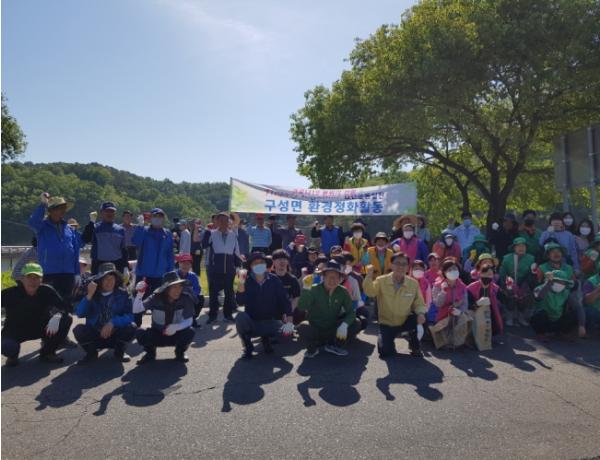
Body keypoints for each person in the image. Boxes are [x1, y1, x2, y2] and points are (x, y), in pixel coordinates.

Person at [2, 263, 73, 366]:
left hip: (41, 328)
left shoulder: (47, 290)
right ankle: (12, 356)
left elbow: (65, 307)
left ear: (41, 279)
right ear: (22, 279)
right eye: (29, 277)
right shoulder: (10, 293)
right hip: (15, 331)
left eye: (37, 277)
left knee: (67, 319)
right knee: (7, 346)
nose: (33, 281)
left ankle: (47, 353)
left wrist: (58, 315)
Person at [363, 252, 426, 358]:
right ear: (391, 265)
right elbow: (370, 292)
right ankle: (389, 341)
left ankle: (414, 344)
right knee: (385, 352)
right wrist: (369, 276)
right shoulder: (381, 280)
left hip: (405, 322)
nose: (400, 267)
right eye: (397, 263)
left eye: (404, 264)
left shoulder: (413, 283)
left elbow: (419, 303)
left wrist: (421, 313)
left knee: (422, 317)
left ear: (408, 267)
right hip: (387, 324)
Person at [73, 263, 136, 364]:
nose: (109, 282)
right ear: (100, 280)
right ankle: (91, 353)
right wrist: (89, 296)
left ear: (116, 280)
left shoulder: (123, 294)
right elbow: (80, 313)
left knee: (131, 327)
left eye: (112, 279)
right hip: (95, 335)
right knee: (79, 330)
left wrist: (113, 322)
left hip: (115, 334)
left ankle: (119, 352)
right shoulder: (92, 293)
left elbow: (130, 316)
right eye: (105, 278)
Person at [296, 260, 361, 357]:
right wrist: (306, 289)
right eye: (329, 277)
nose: (332, 280)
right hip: (316, 328)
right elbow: (302, 307)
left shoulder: (343, 291)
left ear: (340, 279)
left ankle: (334, 345)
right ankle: (313, 348)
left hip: (332, 328)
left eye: (336, 278)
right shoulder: (313, 289)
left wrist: (344, 325)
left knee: (356, 323)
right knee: (303, 327)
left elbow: (351, 312)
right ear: (323, 277)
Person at [235, 252, 294, 358]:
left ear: (266, 264)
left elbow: (284, 300)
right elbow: (240, 302)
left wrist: (289, 320)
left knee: (286, 334)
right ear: (250, 266)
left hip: (270, 321)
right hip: (252, 322)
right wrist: (241, 284)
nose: (259, 265)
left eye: (261, 262)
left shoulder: (274, 280)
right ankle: (248, 345)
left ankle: (266, 339)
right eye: (255, 263)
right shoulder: (246, 281)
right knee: (240, 317)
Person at [28, 194, 80, 304]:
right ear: (51, 211)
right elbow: (32, 222)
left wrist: (77, 273)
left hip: (68, 273)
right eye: (59, 208)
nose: (62, 211)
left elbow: (75, 252)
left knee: (66, 304)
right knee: (48, 304)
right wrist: (43, 204)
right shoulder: (42, 227)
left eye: (63, 209)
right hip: (49, 272)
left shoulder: (69, 229)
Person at [135, 271, 196, 364]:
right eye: (174, 287)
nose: (178, 290)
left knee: (190, 331)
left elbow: (189, 320)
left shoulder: (185, 298)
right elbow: (136, 310)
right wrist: (140, 294)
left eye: (180, 286)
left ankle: (180, 353)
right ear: (166, 288)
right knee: (140, 332)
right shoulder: (155, 298)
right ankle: (150, 353)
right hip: (157, 333)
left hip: (177, 334)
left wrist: (176, 327)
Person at [203, 211, 242, 324]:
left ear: (229, 222)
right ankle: (212, 316)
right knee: (213, 293)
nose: (223, 222)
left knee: (229, 293)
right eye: (220, 220)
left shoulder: (233, 235)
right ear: (216, 222)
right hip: (215, 268)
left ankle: (228, 315)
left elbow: (236, 251)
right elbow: (204, 245)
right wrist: (206, 232)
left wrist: (238, 266)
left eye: (225, 220)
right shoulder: (211, 234)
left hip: (229, 269)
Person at [132, 208, 175, 296]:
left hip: (161, 275)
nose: (158, 219)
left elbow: (170, 254)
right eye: (155, 216)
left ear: (163, 219)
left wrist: (171, 271)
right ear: (150, 218)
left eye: (160, 216)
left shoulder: (168, 234)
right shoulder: (144, 230)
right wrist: (140, 226)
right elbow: (136, 241)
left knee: (159, 302)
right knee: (140, 301)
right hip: (144, 274)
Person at [430, 258, 470, 349]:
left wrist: (460, 311)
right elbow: (437, 304)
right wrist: (443, 292)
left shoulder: (463, 286)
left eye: (455, 269)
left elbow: (465, 304)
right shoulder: (437, 285)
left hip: (457, 315)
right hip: (441, 316)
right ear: (444, 272)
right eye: (449, 270)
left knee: (464, 319)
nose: (453, 271)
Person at [499, 237, 537, 327]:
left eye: (523, 246)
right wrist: (507, 284)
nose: (521, 248)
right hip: (509, 282)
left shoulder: (531, 258)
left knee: (525, 296)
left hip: (524, 283)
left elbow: (532, 274)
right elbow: (503, 273)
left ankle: (521, 317)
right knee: (510, 295)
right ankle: (509, 316)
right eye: (518, 246)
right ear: (514, 248)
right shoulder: (506, 258)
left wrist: (525, 284)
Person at [82, 202, 128, 275]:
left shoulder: (120, 230)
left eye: (112, 211)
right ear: (101, 213)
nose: (110, 214)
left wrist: (125, 266)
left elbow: (124, 250)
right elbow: (85, 239)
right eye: (107, 211)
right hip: (98, 265)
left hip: (117, 265)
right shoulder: (95, 227)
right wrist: (91, 222)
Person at [531, 270, 577, 340]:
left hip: (557, 319)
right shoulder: (539, 288)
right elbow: (539, 297)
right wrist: (548, 284)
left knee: (572, 314)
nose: (560, 284)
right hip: (544, 320)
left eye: (562, 282)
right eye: (557, 281)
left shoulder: (565, 292)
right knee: (540, 314)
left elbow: (576, 306)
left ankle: (563, 333)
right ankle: (541, 334)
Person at [467, 263, 504, 337]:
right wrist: (477, 304)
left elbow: (505, 299)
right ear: (479, 274)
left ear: (493, 275)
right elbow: (467, 306)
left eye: (490, 274)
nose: (487, 276)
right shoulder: (471, 288)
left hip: (490, 316)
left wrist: (509, 289)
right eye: (484, 273)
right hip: (475, 315)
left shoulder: (495, 288)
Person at [175, 253, 203, 327]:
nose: (185, 266)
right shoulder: (174, 274)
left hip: (188, 297)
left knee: (200, 299)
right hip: (176, 298)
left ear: (190, 265)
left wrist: (191, 296)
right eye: (183, 263)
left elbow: (197, 289)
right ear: (179, 264)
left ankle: (192, 319)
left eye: (188, 264)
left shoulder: (193, 276)